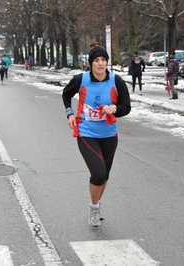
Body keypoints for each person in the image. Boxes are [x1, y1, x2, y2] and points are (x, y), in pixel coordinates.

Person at [62, 46, 131, 227]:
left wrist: (114, 109)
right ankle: (94, 208)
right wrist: (69, 113)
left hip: (109, 134)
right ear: (90, 64)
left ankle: (97, 205)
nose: (100, 63)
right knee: (98, 174)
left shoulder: (116, 81)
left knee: (104, 175)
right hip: (86, 132)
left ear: (107, 62)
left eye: (103, 60)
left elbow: (126, 107)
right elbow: (66, 93)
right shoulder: (81, 80)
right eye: (96, 60)